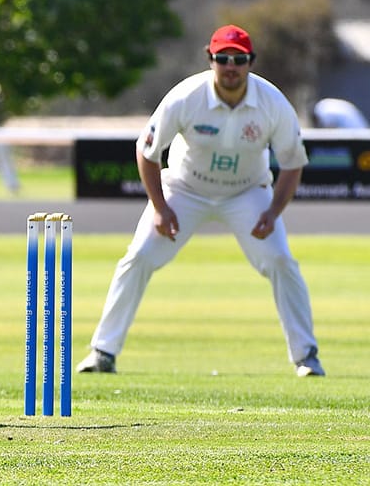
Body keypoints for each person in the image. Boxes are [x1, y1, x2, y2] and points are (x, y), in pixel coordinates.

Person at [76, 24, 325, 378]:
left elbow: (292, 163)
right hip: (185, 189)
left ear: (250, 62)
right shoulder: (186, 97)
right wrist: (161, 208)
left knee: (281, 260)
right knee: (139, 257)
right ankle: (103, 352)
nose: (230, 66)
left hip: (247, 192)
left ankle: (307, 357)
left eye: (238, 59)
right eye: (222, 58)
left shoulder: (272, 103)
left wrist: (273, 211)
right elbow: (147, 151)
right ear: (211, 59)